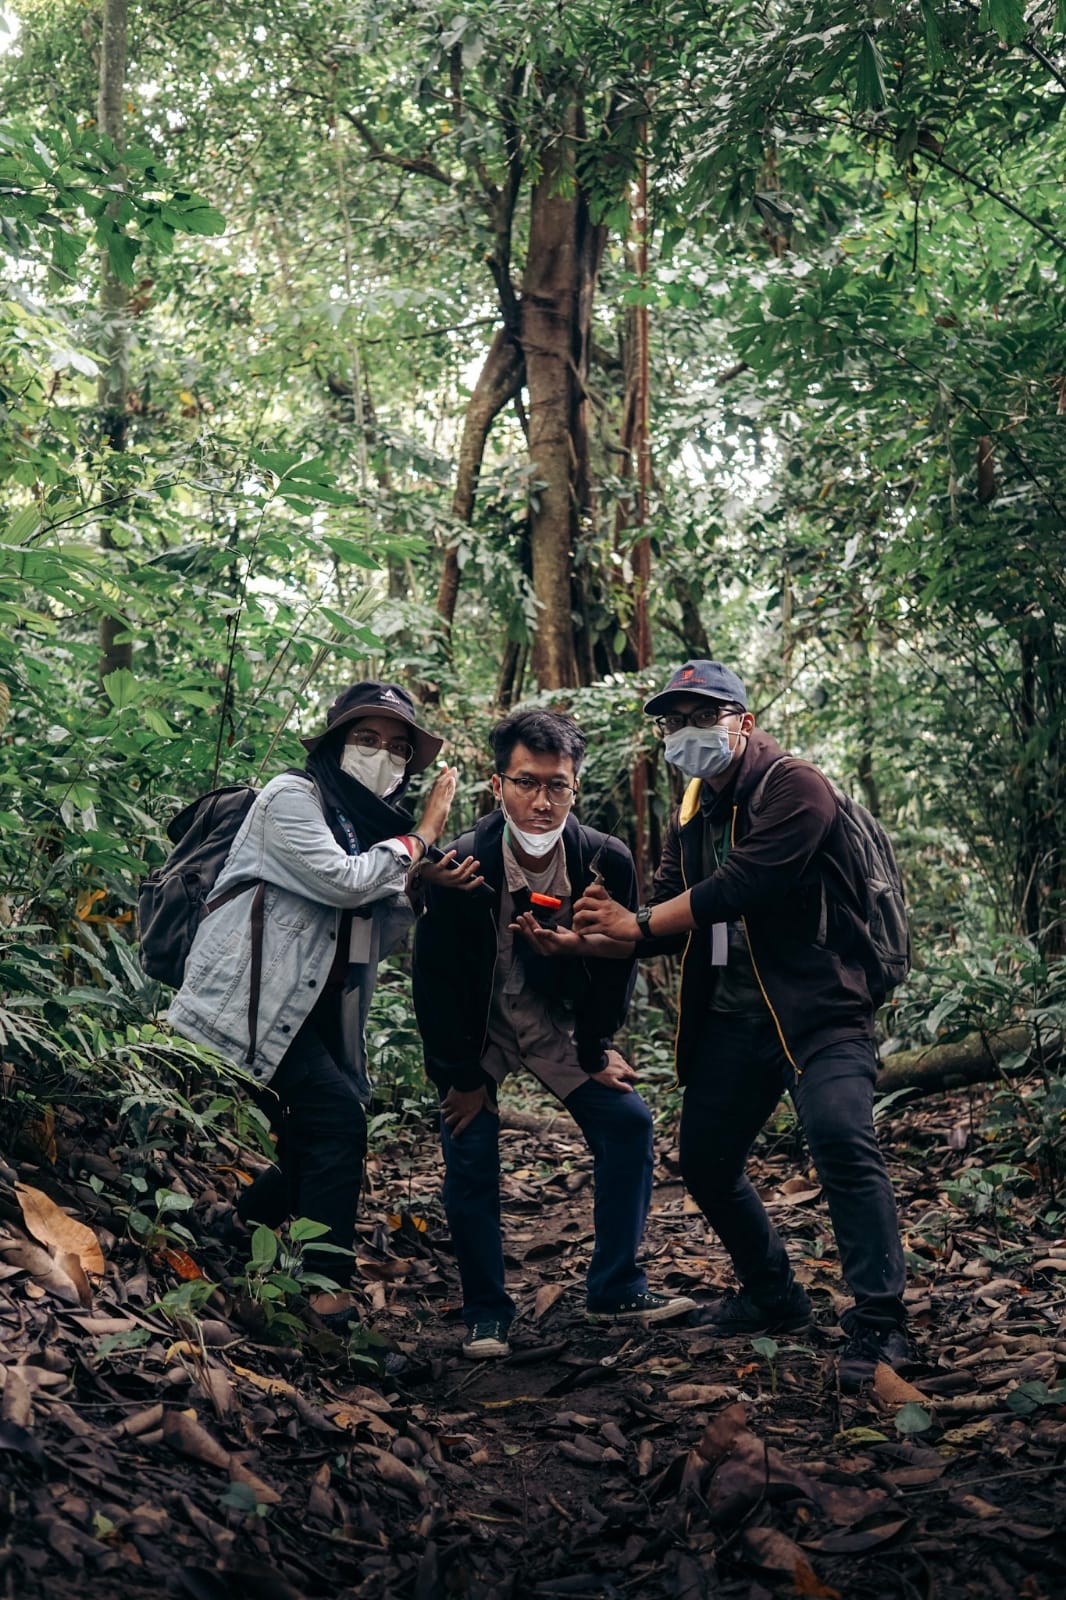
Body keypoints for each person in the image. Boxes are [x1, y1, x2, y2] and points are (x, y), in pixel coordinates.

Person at [573, 661, 915, 1391]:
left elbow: (743, 885)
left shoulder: (796, 786)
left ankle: (881, 1322)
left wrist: (631, 920)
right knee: (704, 1158)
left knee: (841, 1138)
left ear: (743, 722)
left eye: (701, 716)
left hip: (821, 1009)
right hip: (732, 1020)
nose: (684, 733)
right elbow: (665, 921)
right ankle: (773, 1294)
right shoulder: (692, 808)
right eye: (673, 721)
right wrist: (580, 939)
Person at [410, 707, 695, 1359]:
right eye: (527, 782)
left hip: (552, 1021)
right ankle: (487, 1311)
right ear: (497, 784)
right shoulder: (461, 863)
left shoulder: (604, 859)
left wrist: (595, 1047)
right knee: (469, 1143)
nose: (542, 801)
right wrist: (459, 1077)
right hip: (479, 1027)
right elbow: (435, 980)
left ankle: (616, 1284)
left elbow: (617, 958)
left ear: (576, 785)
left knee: (627, 1122)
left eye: (558, 785)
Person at [168, 681, 457, 1322]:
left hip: (314, 1011)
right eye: (366, 738)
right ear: (333, 742)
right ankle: (323, 1291)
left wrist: (416, 882)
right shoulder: (291, 796)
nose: (381, 754)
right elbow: (340, 881)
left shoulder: (368, 829)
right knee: (336, 1121)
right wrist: (424, 835)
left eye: (397, 747)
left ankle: (232, 1223)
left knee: (316, 1131)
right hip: (252, 1004)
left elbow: (371, 937)